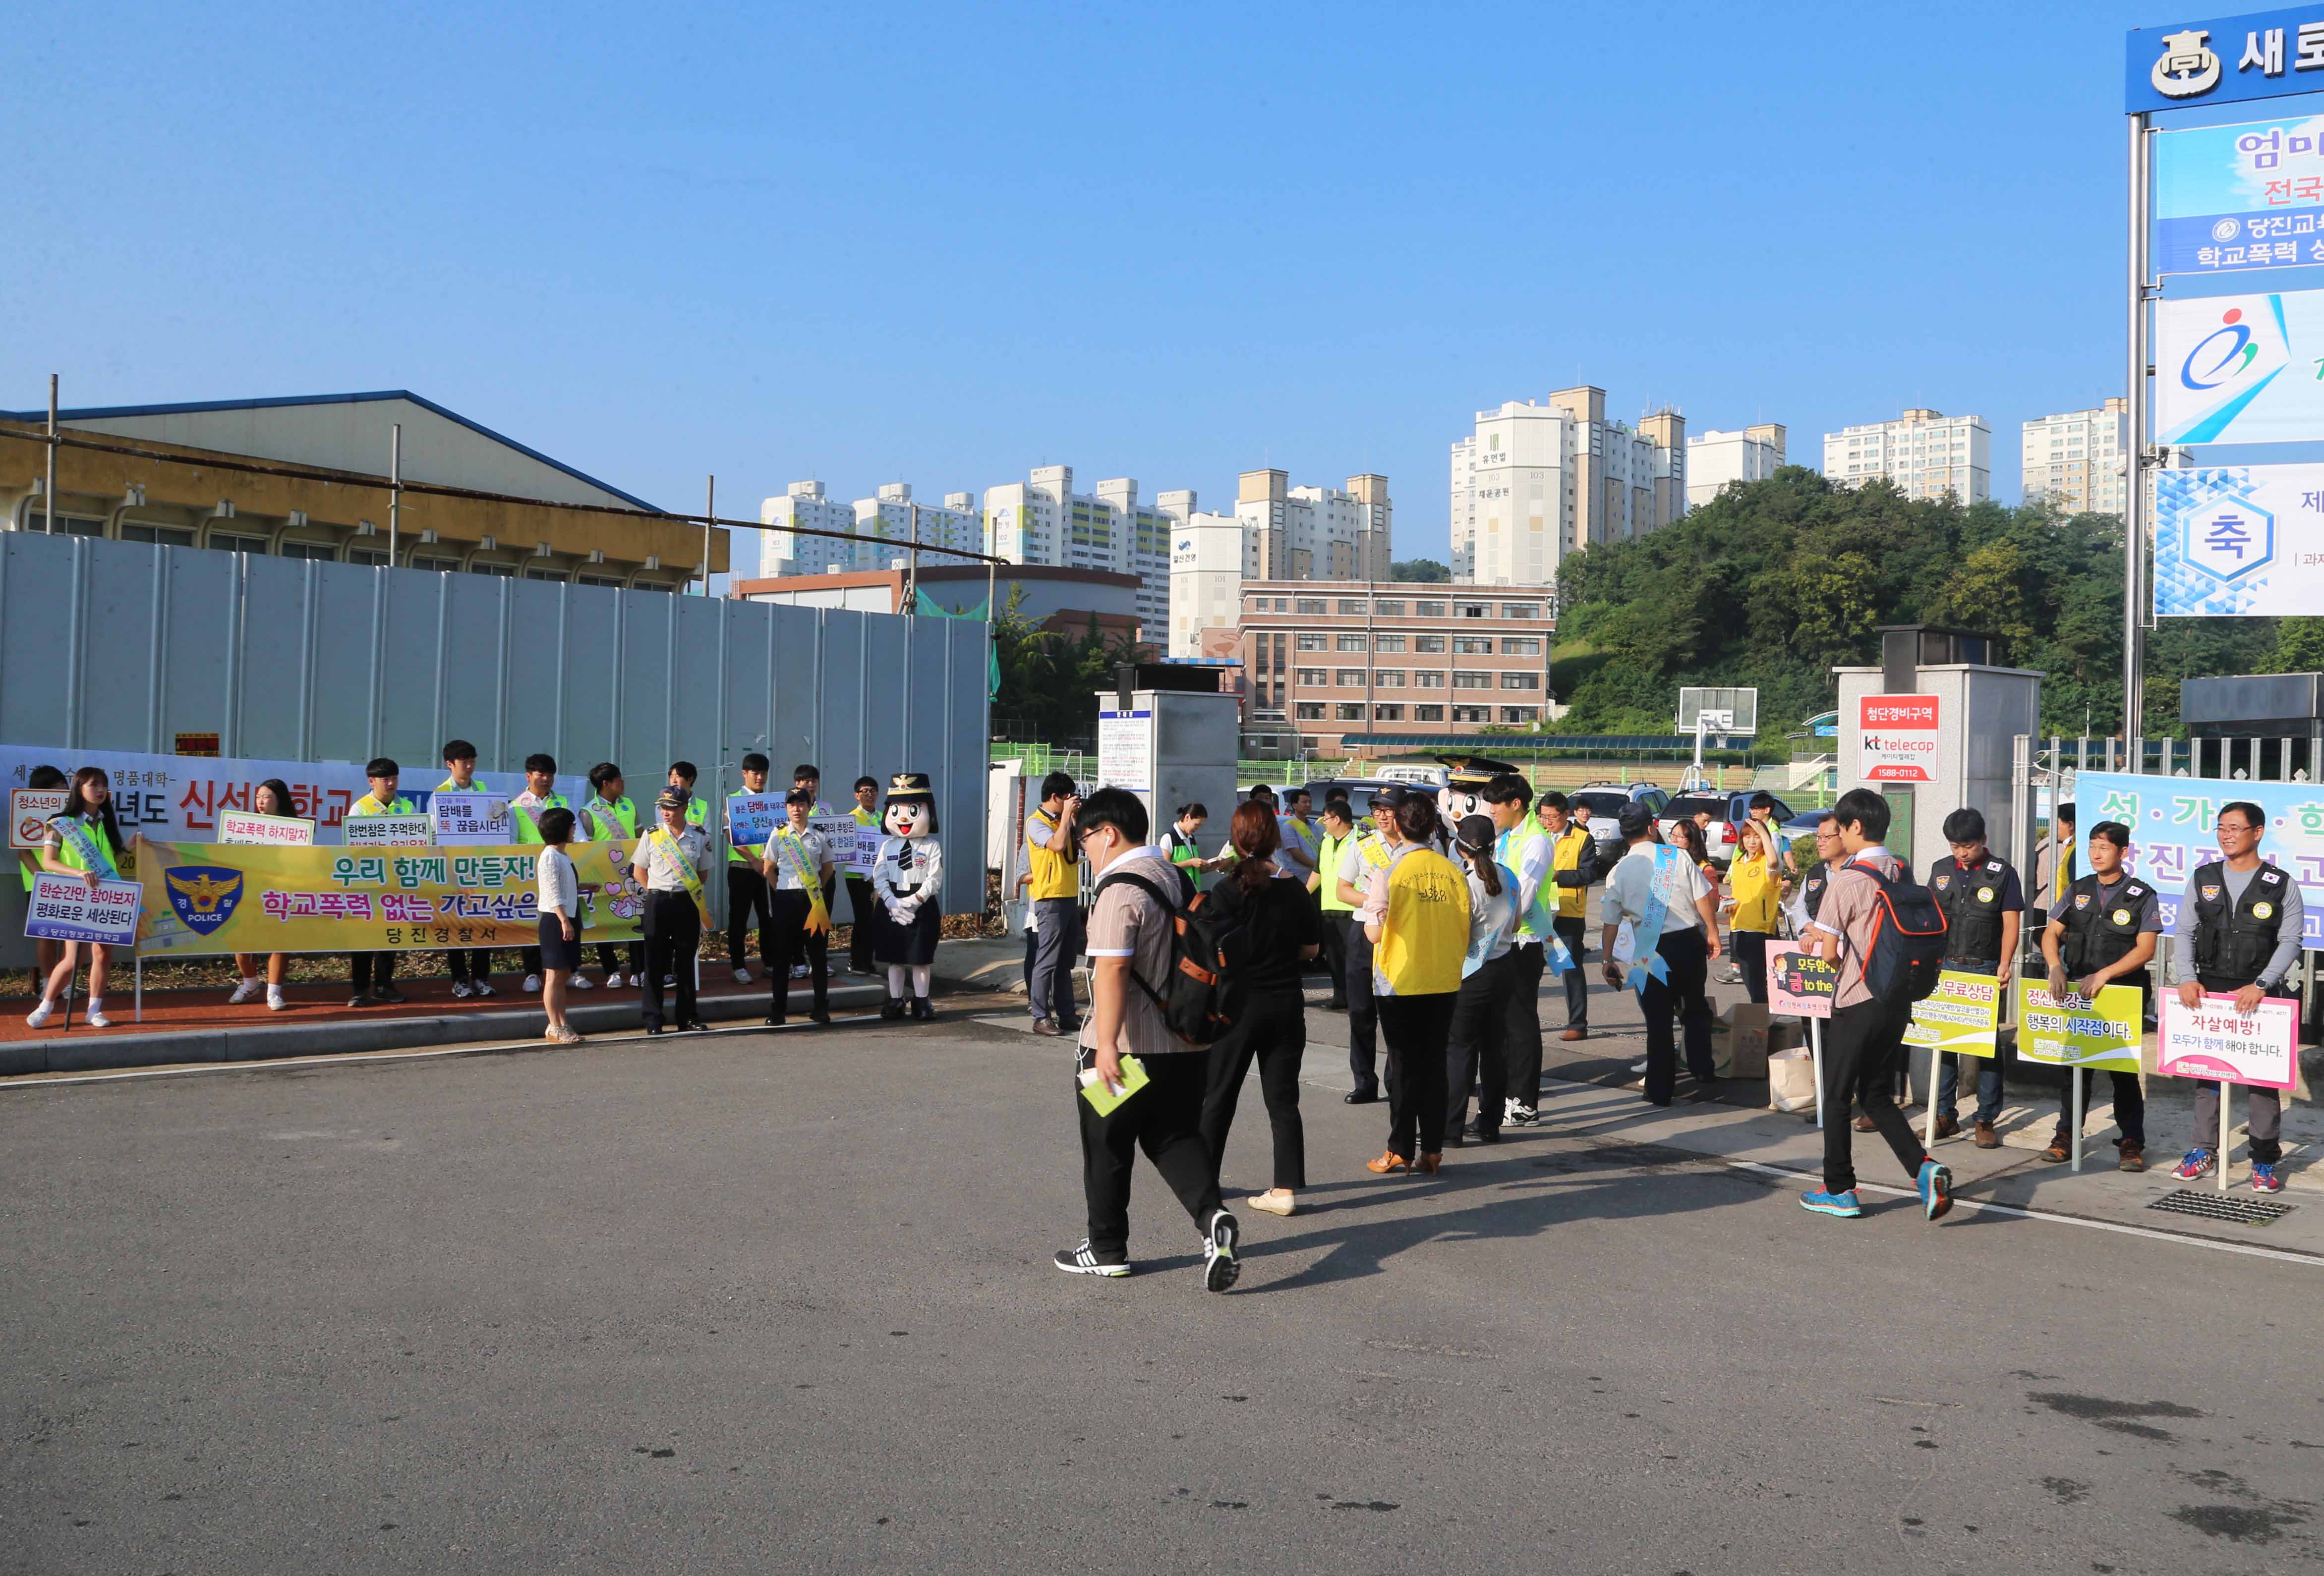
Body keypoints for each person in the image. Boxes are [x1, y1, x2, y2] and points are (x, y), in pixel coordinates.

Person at [1052, 787, 1240, 1291]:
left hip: (1125, 1044)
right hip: (1186, 1041)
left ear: (1108, 833)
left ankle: (1106, 1249)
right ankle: (1211, 1219)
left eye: (1084, 837)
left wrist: (1107, 1045)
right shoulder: (1175, 875)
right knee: (1174, 1134)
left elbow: (1111, 970)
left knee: (1106, 1145)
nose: (1084, 849)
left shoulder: (1119, 891)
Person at [1798, 788, 1953, 1223]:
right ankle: (1924, 1170)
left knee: (1835, 1094)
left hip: (1857, 998)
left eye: (1841, 828)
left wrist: (1836, 955)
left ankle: (1839, 1188)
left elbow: (1829, 950)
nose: (1837, 836)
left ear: (1856, 828)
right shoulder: (1900, 868)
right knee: (1876, 1094)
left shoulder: (1848, 878)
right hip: (1898, 997)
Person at [2169, 801, 2304, 1193]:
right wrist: (2187, 978)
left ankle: (2262, 1160)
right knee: (2206, 1074)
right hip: (2208, 989)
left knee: (2262, 1083)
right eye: (2221, 828)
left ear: (2257, 833)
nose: (2226, 835)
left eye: (2235, 828)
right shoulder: (2204, 877)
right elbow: (2183, 932)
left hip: (2259, 994)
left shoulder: (2280, 884)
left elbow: (2291, 940)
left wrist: (2262, 984)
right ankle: (2204, 1153)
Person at [1196, 801, 1319, 1217]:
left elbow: (1210, 951)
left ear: (1236, 839)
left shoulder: (1225, 891)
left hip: (1236, 1005)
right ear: (1275, 841)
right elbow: (1311, 948)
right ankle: (1284, 1190)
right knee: (1284, 1101)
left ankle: (1204, 1181)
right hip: (1286, 1003)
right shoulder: (1295, 889)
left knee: (1218, 1096)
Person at [1359, 793, 1470, 1177]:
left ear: (1402, 826)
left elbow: (1374, 934)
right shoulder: (1453, 871)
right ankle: (1434, 1150)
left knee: (1404, 1067)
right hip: (1444, 979)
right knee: (1435, 1065)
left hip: (1399, 982)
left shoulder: (1389, 872)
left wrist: (1374, 916)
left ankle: (1400, 1149)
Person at [2038, 819, 2154, 1173]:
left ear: (2123, 852)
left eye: (2105, 848)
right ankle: (2066, 1135)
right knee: (2075, 1069)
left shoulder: (2141, 895)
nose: (2096, 854)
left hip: (2121, 993)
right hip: (2079, 993)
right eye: (2092, 846)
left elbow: (2146, 949)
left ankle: (2131, 1141)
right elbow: (2051, 933)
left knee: (2122, 1072)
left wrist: (2105, 974)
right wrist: (2055, 967)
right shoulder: (2079, 889)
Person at [1601, 803, 1721, 1107]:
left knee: (1658, 1021)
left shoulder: (1618, 871)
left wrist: (1607, 960)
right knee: (1694, 1009)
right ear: (1652, 827)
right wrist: (1713, 931)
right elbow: (1702, 897)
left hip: (1649, 950)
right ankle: (1703, 1072)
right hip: (1687, 942)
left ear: (1624, 834)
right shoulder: (1676, 856)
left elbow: (1611, 923)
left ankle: (1660, 1089)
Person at [1927, 807, 2024, 1148]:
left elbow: (2011, 923)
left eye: (1967, 846)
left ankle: (1985, 1118)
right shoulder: (1940, 870)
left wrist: (2005, 963)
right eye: (1955, 847)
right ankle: (1944, 1115)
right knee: (1946, 1042)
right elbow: (1932, 918)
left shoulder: (2003, 874)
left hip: (1983, 968)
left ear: (1983, 841)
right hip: (1947, 966)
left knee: (1986, 1046)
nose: (1962, 853)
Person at [24, 767, 131, 1029]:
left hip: (106, 896)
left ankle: (94, 1010)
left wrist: (129, 847)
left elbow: (110, 861)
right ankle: (45, 1006)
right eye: (94, 784)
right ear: (79, 788)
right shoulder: (59, 823)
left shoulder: (107, 822)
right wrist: (79, 872)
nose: (100, 790)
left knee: (103, 954)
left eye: (104, 785)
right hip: (75, 897)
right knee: (73, 958)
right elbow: (49, 862)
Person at [1481, 773, 1557, 1126]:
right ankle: (1507, 1095)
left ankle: (1525, 1103)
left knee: (1521, 1021)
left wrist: (1500, 929)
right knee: (1504, 1023)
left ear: (1516, 804)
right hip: (1503, 938)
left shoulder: (1536, 840)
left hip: (1523, 940)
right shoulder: (1507, 836)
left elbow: (1524, 894)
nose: (1491, 809)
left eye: (1496, 803)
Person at [1444, 814, 1522, 1147]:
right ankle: (1490, 1124)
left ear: (1460, 848)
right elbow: (1516, 925)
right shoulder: (1510, 877)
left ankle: (1450, 1130)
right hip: (1505, 967)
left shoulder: (1463, 883)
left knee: (1460, 1049)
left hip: (1471, 972)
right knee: (1494, 1050)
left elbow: (1457, 937)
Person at [1332, 789, 1397, 1104]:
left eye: (1389, 809)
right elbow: (1343, 890)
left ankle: (1395, 1081)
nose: (1382, 815)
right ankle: (1364, 1082)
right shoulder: (1364, 847)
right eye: (1377, 809)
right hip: (1364, 931)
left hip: (1401, 934)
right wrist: (1375, 901)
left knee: (1396, 1013)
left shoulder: (1421, 847)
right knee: (1361, 1011)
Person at [630, 787, 711, 1034]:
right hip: (658, 903)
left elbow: (703, 872)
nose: (666, 812)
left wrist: (687, 890)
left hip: (686, 902)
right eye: (663, 807)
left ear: (684, 808)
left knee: (686, 962)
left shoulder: (699, 836)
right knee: (655, 962)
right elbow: (638, 870)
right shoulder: (652, 835)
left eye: (672, 807)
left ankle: (687, 1017)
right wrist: (654, 890)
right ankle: (653, 1019)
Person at [870, 773, 944, 1020]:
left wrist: (913, 901)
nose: (903, 817)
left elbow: (934, 879)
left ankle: (922, 1001)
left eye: (913, 810)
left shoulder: (931, 846)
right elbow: (879, 875)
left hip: (921, 905)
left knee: (920, 959)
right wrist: (891, 901)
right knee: (895, 958)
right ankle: (896, 999)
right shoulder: (888, 846)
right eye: (896, 810)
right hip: (892, 904)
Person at [760, 787, 836, 1026]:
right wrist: (782, 891)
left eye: (801, 804)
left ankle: (821, 1008)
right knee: (782, 957)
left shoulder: (819, 835)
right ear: (786, 808)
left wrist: (815, 891)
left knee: (818, 955)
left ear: (809, 806)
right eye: (792, 804)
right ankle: (778, 1011)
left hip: (812, 901)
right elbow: (768, 869)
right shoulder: (778, 834)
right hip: (785, 900)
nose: (796, 808)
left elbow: (828, 869)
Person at [228, 777, 301, 1012]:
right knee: (241, 943)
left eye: (267, 797)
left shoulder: (295, 828)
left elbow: (302, 862)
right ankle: (250, 983)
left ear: (279, 799)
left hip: (280, 892)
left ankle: (274, 992)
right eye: (258, 797)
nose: (261, 802)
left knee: (278, 943)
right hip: (250, 892)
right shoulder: (246, 826)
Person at [346, 759, 413, 1007]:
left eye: (394, 778)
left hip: (396, 881)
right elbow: (353, 848)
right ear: (371, 782)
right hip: (368, 882)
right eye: (386, 779)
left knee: (390, 936)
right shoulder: (360, 808)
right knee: (364, 938)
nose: (391, 783)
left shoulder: (406, 806)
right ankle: (360, 989)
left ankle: (384, 986)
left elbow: (418, 842)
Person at [511, 753, 580, 997]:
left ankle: (570, 970)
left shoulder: (561, 801)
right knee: (536, 919)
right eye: (541, 774)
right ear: (529, 776)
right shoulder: (517, 805)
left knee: (565, 913)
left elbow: (578, 835)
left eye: (550, 775)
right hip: (527, 869)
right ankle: (532, 972)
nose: (546, 779)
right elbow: (511, 841)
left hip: (558, 866)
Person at [1536, 790, 1602, 1044]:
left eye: (1552, 817)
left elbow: (1589, 875)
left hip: (1568, 912)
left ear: (1566, 814)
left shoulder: (1582, 838)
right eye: (1543, 817)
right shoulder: (1538, 836)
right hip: (1539, 910)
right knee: (1531, 968)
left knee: (1571, 969)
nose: (1547, 822)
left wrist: (1558, 876)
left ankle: (1578, 1023)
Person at [437, 740, 498, 999]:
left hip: (482, 868)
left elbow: (497, 826)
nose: (470, 766)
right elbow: (435, 835)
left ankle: (481, 978)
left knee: (484, 924)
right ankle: (460, 980)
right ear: (450, 765)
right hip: (454, 871)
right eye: (464, 762)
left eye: (473, 760)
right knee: (457, 927)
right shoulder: (440, 793)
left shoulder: (484, 789)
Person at [1025, 771, 1083, 1036]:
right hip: (1050, 898)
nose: (1069, 801)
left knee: (1066, 962)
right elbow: (1058, 845)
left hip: (1069, 896)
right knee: (1047, 960)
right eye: (1067, 798)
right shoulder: (1036, 823)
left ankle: (1067, 1014)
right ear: (1054, 797)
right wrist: (1065, 820)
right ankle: (1040, 1017)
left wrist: (1072, 818)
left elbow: (1080, 845)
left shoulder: (1063, 821)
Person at [580, 762, 644, 989]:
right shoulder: (589, 811)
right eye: (619, 779)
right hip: (604, 878)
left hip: (633, 875)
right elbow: (585, 848)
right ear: (606, 784)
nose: (623, 783)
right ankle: (612, 971)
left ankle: (638, 971)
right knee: (605, 923)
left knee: (637, 920)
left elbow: (640, 837)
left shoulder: (629, 805)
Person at [725, 753, 777, 986]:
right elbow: (730, 835)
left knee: (769, 918)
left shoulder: (772, 801)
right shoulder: (733, 800)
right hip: (742, 867)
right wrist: (754, 860)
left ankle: (769, 963)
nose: (760, 777)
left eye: (764, 773)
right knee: (739, 918)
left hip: (769, 869)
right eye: (755, 773)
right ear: (744, 774)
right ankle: (738, 965)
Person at [534, 806, 585, 1044]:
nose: (575, 830)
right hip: (557, 920)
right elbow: (552, 893)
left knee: (564, 973)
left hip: (569, 916)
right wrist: (565, 921)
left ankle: (562, 1022)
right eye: (572, 826)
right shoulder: (549, 856)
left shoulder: (563, 855)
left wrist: (585, 887)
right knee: (554, 975)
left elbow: (564, 885)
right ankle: (554, 1026)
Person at [16, 764, 68, 987]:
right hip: (39, 882)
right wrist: (43, 878)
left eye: (65, 790)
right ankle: (49, 984)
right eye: (56, 791)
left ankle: (65, 985)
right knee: (46, 934)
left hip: (72, 879)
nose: (62, 796)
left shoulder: (74, 811)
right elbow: (23, 851)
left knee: (71, 935)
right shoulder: (26, 812)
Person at [1725, 819, 1783, 1008]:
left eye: (1757, 837)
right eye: (1747, 836)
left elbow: (1774, 862)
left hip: (1759, 930)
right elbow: (1738, 892)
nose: (1752, 841)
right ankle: (1761, 1022)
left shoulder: (1768, 861)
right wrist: (1728, 905)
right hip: (1738, 927)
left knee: (1758, 985)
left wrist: (1764, 833)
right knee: (1749, 981)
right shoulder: (1739, 861)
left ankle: (1762, 1027)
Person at [845, 774, 881, 976]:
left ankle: (869, 961)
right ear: (856, 795)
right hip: (857, 877)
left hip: (880, 878)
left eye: (873, 791)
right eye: (865, 791)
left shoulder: (885, 817)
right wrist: (868, 876)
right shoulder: (851, 819)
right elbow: (850, 853)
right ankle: (857, 961)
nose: (869, 795)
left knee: (875, 919)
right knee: (863, 918)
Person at [1746, 792, 1800, 878]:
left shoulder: (1773, 832)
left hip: (1765, 878)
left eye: (1756, 809)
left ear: (1767, 810)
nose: (1753, 812)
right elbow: (1739, 852)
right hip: (1750, 873)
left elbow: (1774, 860)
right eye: (1751, 809)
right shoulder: (1751, 827)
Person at [2043, 801, 2078, 907]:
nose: (2052, 829)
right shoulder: (2070, 846)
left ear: (2071, 825)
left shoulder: (2076, 849)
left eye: (2055, 824)